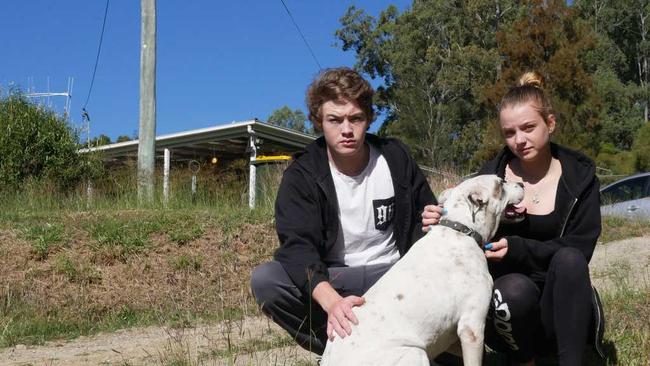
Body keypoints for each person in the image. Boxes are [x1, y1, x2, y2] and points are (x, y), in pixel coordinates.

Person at [250, 67, 441, 355]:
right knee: (267, 280)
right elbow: (297, 248)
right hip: (337, 278)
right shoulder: (302, 175)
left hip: (396, 273)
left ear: (368, 119)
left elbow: (424, 216)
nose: (347, 130)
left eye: (356, 118)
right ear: (319, 122)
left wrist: (432, 220)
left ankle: (424, 347)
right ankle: (346, 351)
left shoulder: (395, 157)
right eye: (335, 120)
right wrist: (331, 302)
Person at [423, 71, 605, 366]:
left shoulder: (580, 178)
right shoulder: (487, 182)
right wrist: (439, 219)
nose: (519, 140)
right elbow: (460, 238)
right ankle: (524, 361)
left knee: (570, 259)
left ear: (551, 123)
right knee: (513, 289)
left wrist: (520, 247)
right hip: (507, 309)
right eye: (509, 132)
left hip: (563, 305)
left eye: (529, 127)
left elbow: (582, 249)